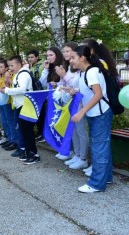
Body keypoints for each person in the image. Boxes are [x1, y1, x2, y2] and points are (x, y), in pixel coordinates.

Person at [69, 45, 113, 193]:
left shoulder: (92, 72)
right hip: (94, 114)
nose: (71, 60)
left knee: (98, 147)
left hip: (100, 114)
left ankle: (96, 184)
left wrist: (82, 112)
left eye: (73, 57)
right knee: (101, 146)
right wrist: (74, 91)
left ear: (82, 58)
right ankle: (105, 177)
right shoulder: (83, 73)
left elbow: (98, 94)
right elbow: (87, 91)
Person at [56, 42, 90, 172]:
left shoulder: (79, 68)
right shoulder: (69, 66)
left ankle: (83, 158)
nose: (65, 54)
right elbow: (67, 84)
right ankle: (77, 154)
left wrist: (64, 76)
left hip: (80, 104)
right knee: (74, 130)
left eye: (68, 51)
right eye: (64, 51)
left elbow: (77, 84)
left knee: (81, 131)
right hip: (70, 102)